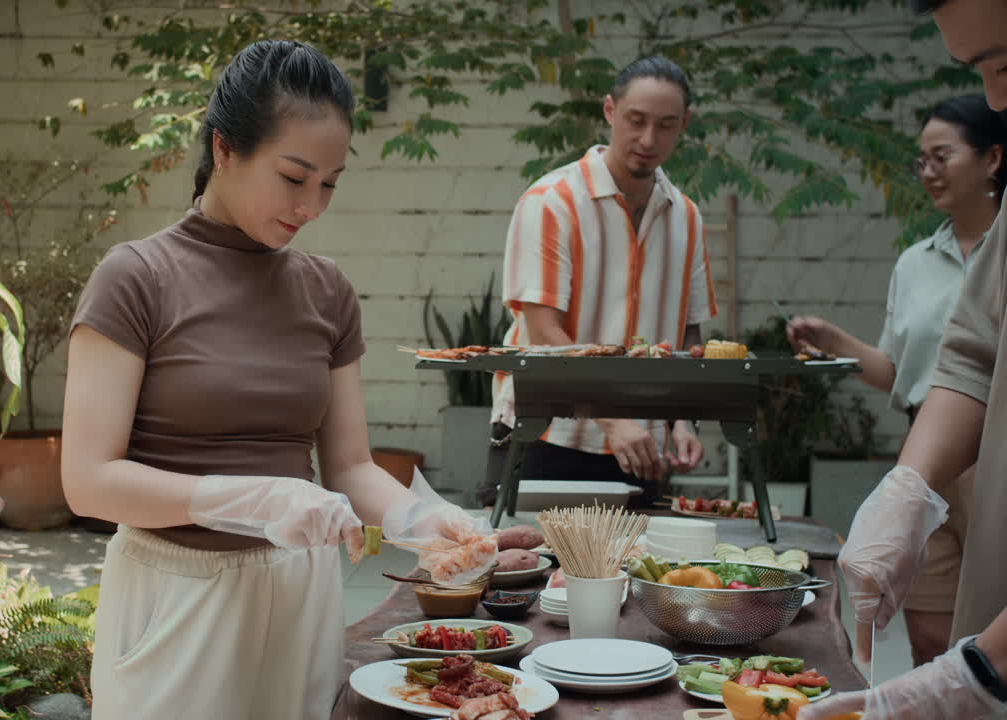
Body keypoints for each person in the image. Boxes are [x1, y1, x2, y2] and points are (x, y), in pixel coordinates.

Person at [61, 40, 485, 719]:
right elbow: (86, 481)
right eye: (293, 177)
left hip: (300, 596)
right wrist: (252, 500)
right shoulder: (136, 279)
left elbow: (348, 466)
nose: (312, 206)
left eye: (330, 183)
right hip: (176, 596)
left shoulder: (326, 290)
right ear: (225, 149)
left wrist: (421, 519)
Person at [801, 1, 1007, 718]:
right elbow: (969, 362)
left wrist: (980, 672)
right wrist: (907, 490)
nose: (998, 99)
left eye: (1004, 65)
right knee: (935, 644)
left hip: (995, 470)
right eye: (982, 73)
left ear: (991, 159)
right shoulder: (919, 261)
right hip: (939, 446)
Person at [476, 55, 715, 510]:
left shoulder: (686, 216)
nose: (648, 139)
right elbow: (543, 332)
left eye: (665, 125)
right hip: (545, 436)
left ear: (685, 123)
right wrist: (612, 419)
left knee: (634, 578)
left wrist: (682, 421)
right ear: (610, 111)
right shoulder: (551, 202)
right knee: (525, 575)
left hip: (640, 447)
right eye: (636, 120)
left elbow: (689, 334)